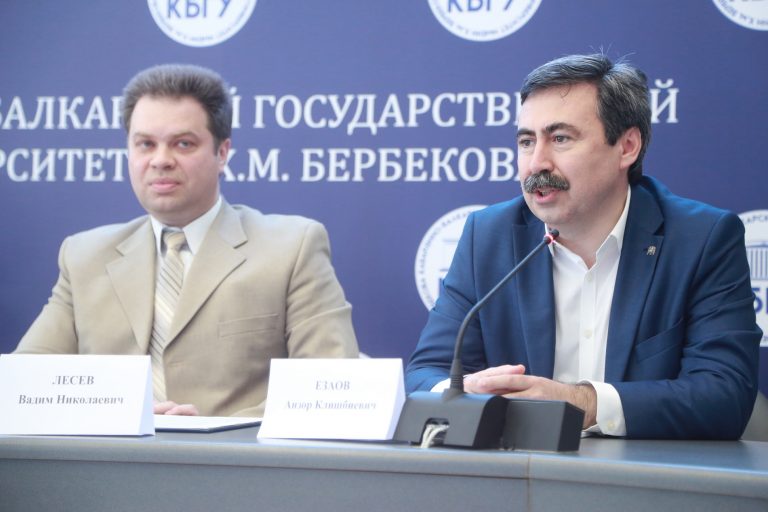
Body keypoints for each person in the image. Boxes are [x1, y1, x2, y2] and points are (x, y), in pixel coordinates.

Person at [405, 53, 761, 440]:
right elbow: (425, 375)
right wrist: (461, 392)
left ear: (627, 147)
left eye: (560, 139)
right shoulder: (488, 237)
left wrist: (582, 403)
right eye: (526, 141)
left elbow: (724, 395)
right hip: (517, 472)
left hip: (642, 471)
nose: (536, 163)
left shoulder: (702, 239)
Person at [15, 64, 359, 416]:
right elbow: (23, 385)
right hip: (111, 451)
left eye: (183, 144)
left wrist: (207, 433)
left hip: (236, 451)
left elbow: (329, 389)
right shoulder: (84, 257)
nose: (161, 160)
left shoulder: (292, 248)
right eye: (146, 144)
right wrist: (117, 416)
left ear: (222, 153)